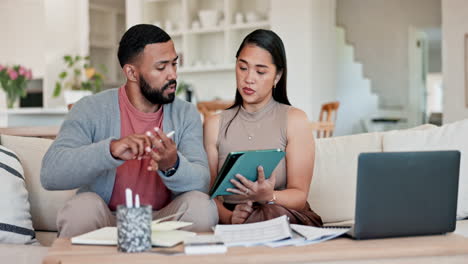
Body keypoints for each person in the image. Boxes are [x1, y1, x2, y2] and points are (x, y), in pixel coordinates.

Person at [41, 24, 218, 237]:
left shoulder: (186, 113)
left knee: (201, 207)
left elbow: (202, 182)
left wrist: (173, 165)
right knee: (81, 208)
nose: (172, 75)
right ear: (132, 72)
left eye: (174, 64)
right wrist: (110, 150)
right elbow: (50, 173)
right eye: (161, 67)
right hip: (108, 219)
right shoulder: (90, 109)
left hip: (163, 220)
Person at [203, 29, 323, 226]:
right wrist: (230, 218)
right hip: (237, 219)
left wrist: (268, 195)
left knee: (266, 214)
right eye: (243, 68)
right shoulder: (214, 124)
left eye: (260, 71)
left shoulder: (294, 120)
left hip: (281, 213)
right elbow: (210, 195)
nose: (249, 78)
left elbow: (299, 196)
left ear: (277, 76)